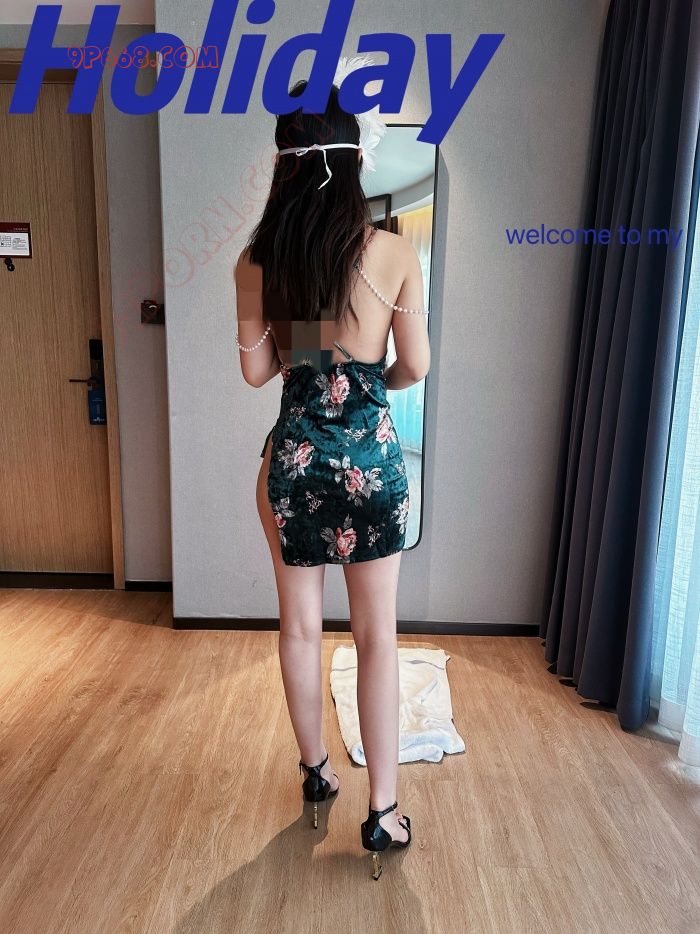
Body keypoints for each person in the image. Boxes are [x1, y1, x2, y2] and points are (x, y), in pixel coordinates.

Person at [234, 76, 430, 879]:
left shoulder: (258, 261)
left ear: (285, 162)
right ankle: (382, 813)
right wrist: (369, 375)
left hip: (293, 465)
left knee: (300, 629)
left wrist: (310, 352)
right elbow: (414, 365)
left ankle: (316, 772)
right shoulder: (392, 252)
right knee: (377, 637)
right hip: (372, 468)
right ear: (352, 161)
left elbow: (260, 373)